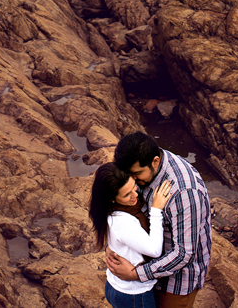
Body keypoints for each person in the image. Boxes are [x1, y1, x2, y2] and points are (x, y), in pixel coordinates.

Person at [106, 132, 212, 308]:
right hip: (148, 273)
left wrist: (136, 273)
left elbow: (183, 254)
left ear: (155, 161)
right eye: (129, 175)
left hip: (176, 282)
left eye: (137, 174)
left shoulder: (183, 192)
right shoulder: (141, 167)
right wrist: (112, 244)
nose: (133, 180)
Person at [90, 162, 175, 308]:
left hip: (116, 286)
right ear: (112, 198)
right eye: (126, 194)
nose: (135, 195)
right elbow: (154, 250)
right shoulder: (123, 221)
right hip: (134, 294)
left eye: (134, 187)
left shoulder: (109, 208)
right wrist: (156, 210)